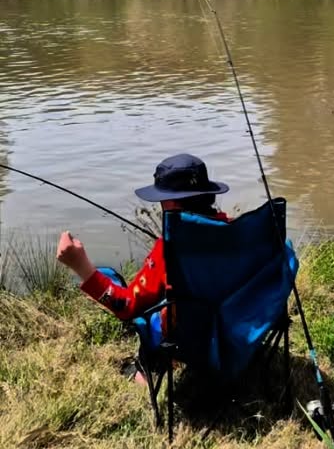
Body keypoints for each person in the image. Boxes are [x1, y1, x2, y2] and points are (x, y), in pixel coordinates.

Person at [56, 153, 231, 378]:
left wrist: (81, 266)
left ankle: (145, 371)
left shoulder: (168, 250)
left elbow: (127, 306)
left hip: (190, 339)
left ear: (171, 203)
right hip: (232, 326)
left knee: (132, 299)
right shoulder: (238, 232)